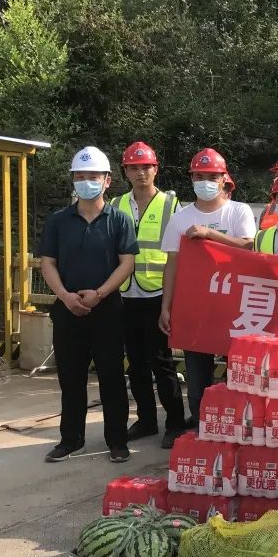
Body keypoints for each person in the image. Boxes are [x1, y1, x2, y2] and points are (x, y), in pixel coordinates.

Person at [38, 146, 138, 463]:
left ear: (107, 181)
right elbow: (47, 263)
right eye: (80, 177)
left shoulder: (119, 220)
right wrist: (66, 296)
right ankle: (71, 439)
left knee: (111, 378)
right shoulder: (58, 221)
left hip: (107, 310)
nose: (86, 182)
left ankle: (117, 441)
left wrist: (100, 293)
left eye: (93, 176)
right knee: (70, 378)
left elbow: (126, 264)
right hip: (67, 310)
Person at [159, 148, 258, 427]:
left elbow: (247, 245)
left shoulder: (238, 211)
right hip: (195, 309)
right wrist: (166, 306)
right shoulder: (180, 217)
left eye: (211, 176)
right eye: (199, 176)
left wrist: (208, 234)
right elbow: (172, 264)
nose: (205, 181)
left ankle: (237, 425)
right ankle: (202, 427)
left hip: (235, 307)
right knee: (197, 375)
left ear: (224, 178)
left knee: (239, 372)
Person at [112, 142, 186, 449]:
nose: (140, 173)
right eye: (133, 167)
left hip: (158, 295)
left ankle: (175, 422)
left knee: (162, 362)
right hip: (125, 294)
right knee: (136, 363)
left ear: (156, 169)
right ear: (125, 171)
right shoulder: (115, 204)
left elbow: (179, 255)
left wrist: (170, 303)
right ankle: (145, 420)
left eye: (146, 167)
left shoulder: (170, 204)